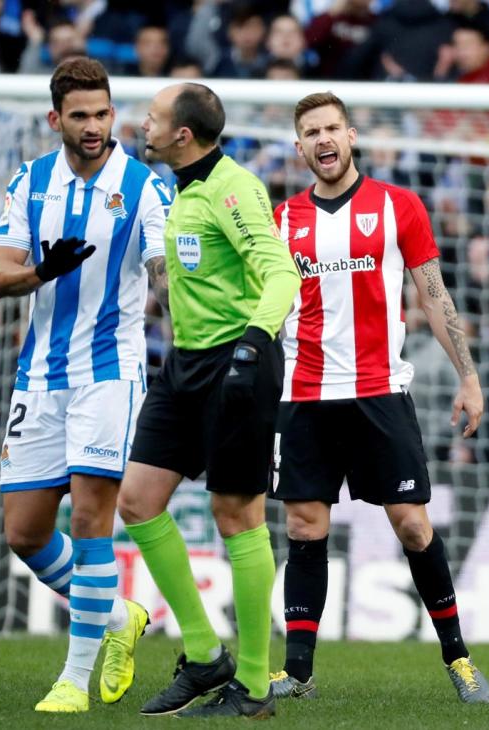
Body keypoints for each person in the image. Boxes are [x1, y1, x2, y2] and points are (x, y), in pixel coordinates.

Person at [269, 92, 489, 705]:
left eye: (331, 128)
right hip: (305, 392)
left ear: (351, 134)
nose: (323, 139)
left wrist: (468, 376)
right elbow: (267, 307)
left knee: (414, 526)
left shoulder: (398, 207)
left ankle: (459, 659)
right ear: (299, 147)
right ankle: (298, 673)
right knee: (303, 525)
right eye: (310, 131)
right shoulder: (282, 220)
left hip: (380, 391)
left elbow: (433, 295)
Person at [0, 57, 170, 714]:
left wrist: (177, 308)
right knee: (25, 534)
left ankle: (74, 678)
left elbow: (161, 267)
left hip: (110, 372)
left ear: (112, 112)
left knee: (93, 519)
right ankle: (118, 616)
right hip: (39, 374)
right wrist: (43, 271)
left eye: (102, 114)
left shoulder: (145, 186)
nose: (94, 127)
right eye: (80, 116)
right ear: (55, 119)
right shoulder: (30, 182)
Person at [117, 82, 301, 718]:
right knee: (138, 500)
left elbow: (281, 272)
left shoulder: (233, 187)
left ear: (183, 134)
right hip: (183, 363)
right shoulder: (180, 190)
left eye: (154, 116)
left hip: (238, 361)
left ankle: (251, 685)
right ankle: (203, 656)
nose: (144, 123)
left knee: (236, 514)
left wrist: (254, 342)